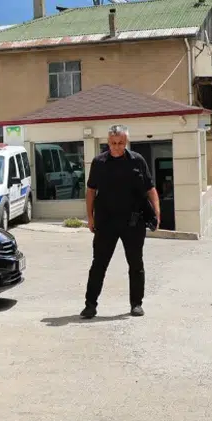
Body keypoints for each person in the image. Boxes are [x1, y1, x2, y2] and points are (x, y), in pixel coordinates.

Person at [80, 125, 160, 319]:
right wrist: (90, 217)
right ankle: (90, 305)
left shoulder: (137, 161)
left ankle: (136, 304)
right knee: (99, 264)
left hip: (133, 222)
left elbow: (150, 188)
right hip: (106, 222)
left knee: (135, 264)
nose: (116, 147)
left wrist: (157, 212)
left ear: (126, 142)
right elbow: (91, 191)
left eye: (120, 143)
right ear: (108, 142)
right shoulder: (99, 162)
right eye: (113, 143)